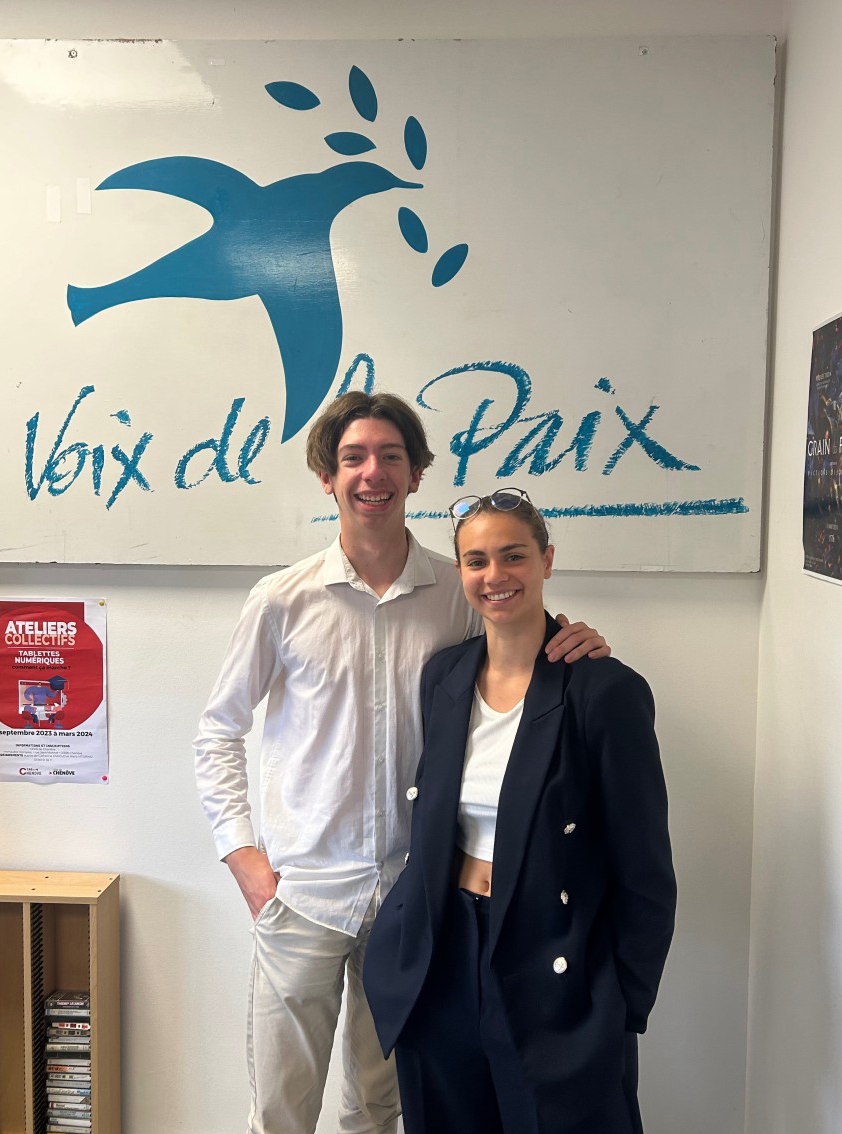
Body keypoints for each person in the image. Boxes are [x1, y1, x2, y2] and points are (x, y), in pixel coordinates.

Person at [194, 393, 611, 1134]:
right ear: (327, 477)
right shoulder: (281, 600)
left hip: (415, 900)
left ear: (416, 475)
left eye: (391, 456)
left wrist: (575, 640)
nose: (372, 472)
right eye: (353, 458)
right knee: (280, 1112)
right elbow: (218, 730)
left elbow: (521, 649)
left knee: (378, 1107)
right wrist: (242, 856)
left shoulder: (458, 590)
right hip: (302, 894)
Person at [363, 487, 676, 1134]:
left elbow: (644, 871)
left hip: (554, 964)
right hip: (442, 957)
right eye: (476, 561)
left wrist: (622, 1005)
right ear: (460, 572)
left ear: (546, 561)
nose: (495, 575)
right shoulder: (444, 677)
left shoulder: (604, 692)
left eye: (513, 556)